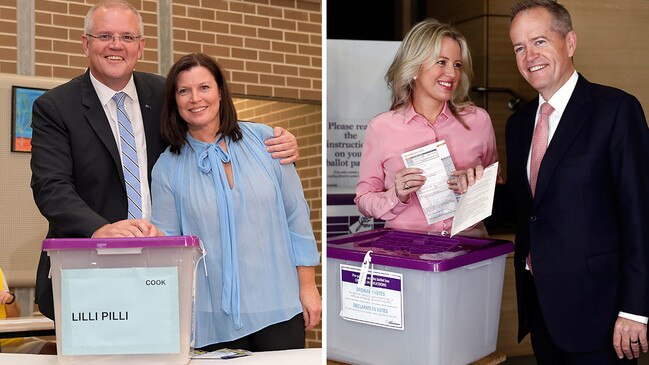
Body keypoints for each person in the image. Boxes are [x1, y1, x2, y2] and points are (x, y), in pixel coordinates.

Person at [30, 0, 299, 321]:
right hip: (89, 269)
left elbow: (210, 129)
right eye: (104, 36)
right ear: (86, 43)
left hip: (166, 267)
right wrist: (100, 230)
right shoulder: (55, 106)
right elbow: (51, 187)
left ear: (140, 47)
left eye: (127, 37)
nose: (116, 45)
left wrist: (272, 136)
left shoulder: (163, 93)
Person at [504, 1, 649, 363]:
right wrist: (471, 189)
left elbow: (640, 215)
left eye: (539, 41)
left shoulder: (616, 110)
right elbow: (528, 209)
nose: (529, 56)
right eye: (519, 47)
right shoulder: (519, 125)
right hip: (542, 308)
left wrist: (635, 309)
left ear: (570, 42)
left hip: (602, 314)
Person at [150, 53, 321, 352]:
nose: (195, 98)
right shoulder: (167, 166)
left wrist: (308, 286)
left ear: (219, 92)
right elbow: (168, 247)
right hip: (209, 318)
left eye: (204, 87)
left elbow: (297, 219)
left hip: (279, 307)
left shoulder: (267, 141)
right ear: (174, 101)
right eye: (183, 91)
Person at [354, 18, 498, 236]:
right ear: (414, 67)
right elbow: (364, 200)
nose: (452, 73)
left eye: (457, 65)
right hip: (407, 252)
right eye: (441, 62)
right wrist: (397, 194)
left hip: (468, 246)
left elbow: (495, 181)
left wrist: (477, 184)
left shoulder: (479, 121)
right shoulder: (381, 127)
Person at [0, 268, 56, 354]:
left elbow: (14, 316)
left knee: (57, 350)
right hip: (3, 343)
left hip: (11, 338)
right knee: (51, 351)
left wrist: (10, 300)